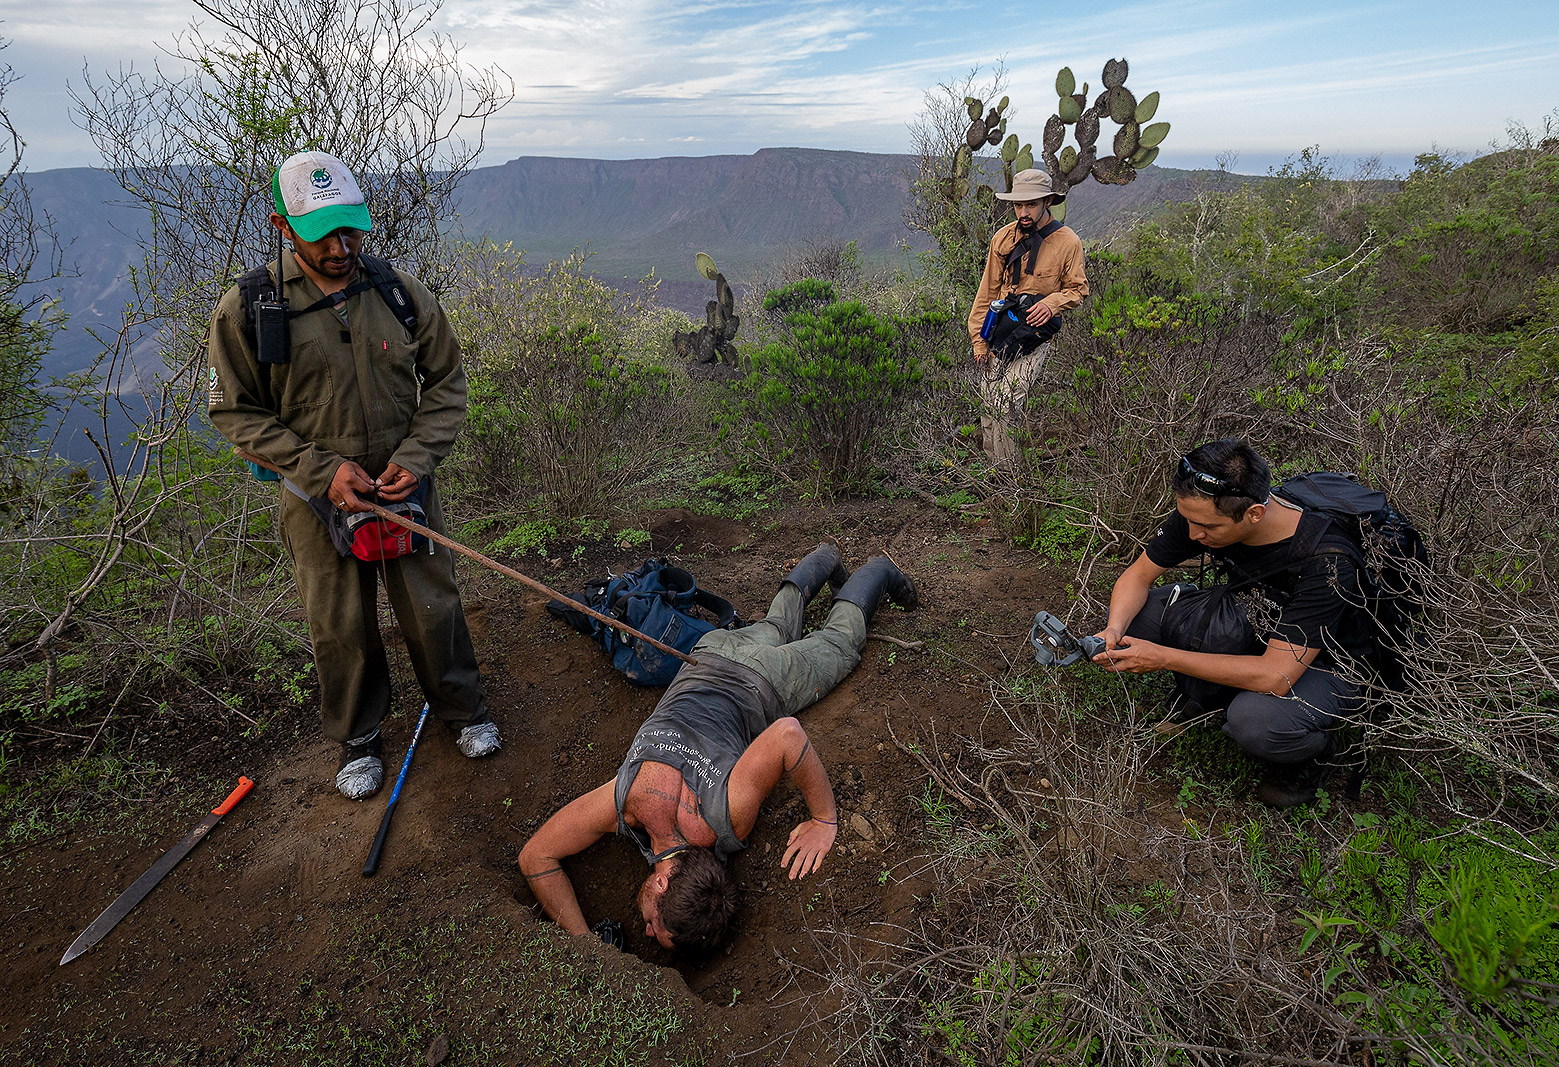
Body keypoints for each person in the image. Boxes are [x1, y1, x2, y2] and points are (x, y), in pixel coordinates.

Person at [206, 150, 500, 801]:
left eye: (352, 230)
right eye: (324, 235)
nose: (342, 247)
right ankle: (360, 740)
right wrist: (319, 468)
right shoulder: (249, 308)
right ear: (284, 228)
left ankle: (464, 711)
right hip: (316, 501)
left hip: (405, 488)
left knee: (433, 605)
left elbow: (448, 383)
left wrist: (416, 458)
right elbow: (233, 410)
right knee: (338, 621)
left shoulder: (395, 291)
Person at [518, 544, 917, 953]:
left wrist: (824, 819)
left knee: (829, 639)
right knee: (789, 630)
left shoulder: (721, 817)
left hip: (732, 663)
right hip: (718, 658)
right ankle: (844, 561)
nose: (649, 932)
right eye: (658, 927)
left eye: (653, 927)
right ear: (662, 881)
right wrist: (585, 944)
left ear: (662, 881)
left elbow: (788, 734)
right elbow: (536, 858)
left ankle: (862, 564)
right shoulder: (628, 797)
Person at [1091, 439, 1370, 808]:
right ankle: (1210, 690)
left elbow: (1276, 676)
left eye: (1205, 527)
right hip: (1264, 622)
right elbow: (1137, 578)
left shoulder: (1327, 562)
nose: (1193, 535)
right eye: (1188, 520)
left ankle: (1316, 752)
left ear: (1254, 514)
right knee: (1135, 620)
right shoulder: (1205, 510)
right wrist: (1113, 630)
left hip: (1334, 660)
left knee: (1255, 719)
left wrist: (1164, 657)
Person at [966, 168, 1089, 466]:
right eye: (1019, 205)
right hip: (1000, 330)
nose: (1024, 211)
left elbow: (1078, 289)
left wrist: (1052, 303)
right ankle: (995, 468)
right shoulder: (1003, 239)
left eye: (1031, 204)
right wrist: (979, 341)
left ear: (1047, 201)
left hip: (1033, 335)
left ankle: (1010, 480)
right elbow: (987, 291)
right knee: (989, 402)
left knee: (1007, 403)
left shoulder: (1067, 242)